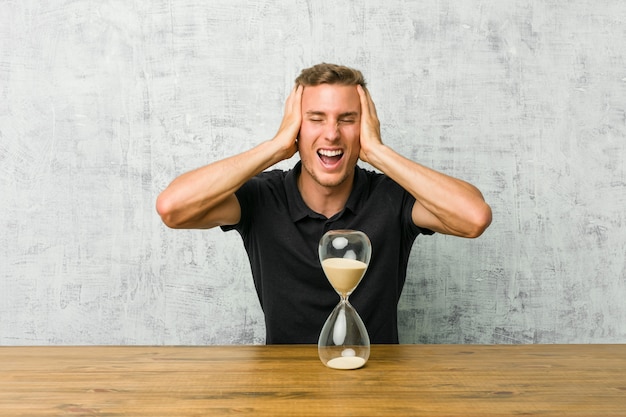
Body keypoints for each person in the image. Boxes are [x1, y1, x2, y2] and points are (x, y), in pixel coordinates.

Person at [156, 63, 492, 344]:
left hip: (382, 386)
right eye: (316, 118)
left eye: (347, 119)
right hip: (281, 387)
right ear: (296, 128)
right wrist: (275, 147)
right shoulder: (262, 198)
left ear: (365, 127)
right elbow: (173, 207)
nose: (331, 133)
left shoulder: (390, 197)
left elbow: (474, 217)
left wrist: (378, 152)